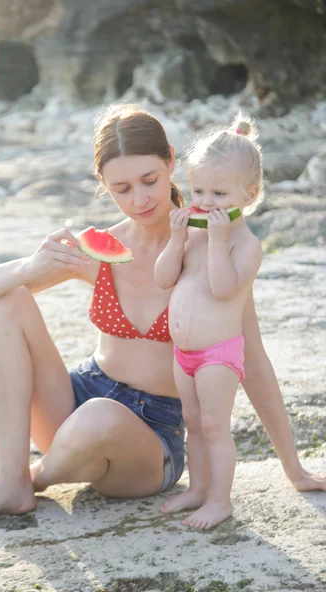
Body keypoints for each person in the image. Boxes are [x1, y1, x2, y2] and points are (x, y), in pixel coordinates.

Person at [0, 104, 326, 533]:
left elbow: (252, 363)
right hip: (76, 403)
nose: (140, 199)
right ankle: (10, 475)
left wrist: (295, 469)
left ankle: (24, 480)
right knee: (4, 301)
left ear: (170, 161)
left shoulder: (211, 253)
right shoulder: (100, 246)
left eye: (150, 180)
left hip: (151, 437)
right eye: (122, 188)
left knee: (100, 416)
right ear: (103, 186)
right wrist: (28, 270)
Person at [155, 116, 263, 529]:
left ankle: (221, 501)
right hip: (185, 353)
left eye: (219, 192)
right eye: (198, 190)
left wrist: (216, 242)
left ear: (248, 195)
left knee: (216, 425)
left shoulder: (245, 244)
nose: (205, 200)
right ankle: (198, 488)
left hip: (218, 354)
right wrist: (177, 239)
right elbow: (164, 278)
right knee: (193, 423)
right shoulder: (193, 233)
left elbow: (223, 290)